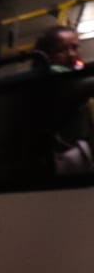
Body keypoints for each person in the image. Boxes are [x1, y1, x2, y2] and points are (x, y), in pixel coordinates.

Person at [34, 24, 94, 174]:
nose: (72, 54)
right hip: (66, 154)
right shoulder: (56, 76)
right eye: (62, 50)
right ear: (47, 55)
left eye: (75, 47)